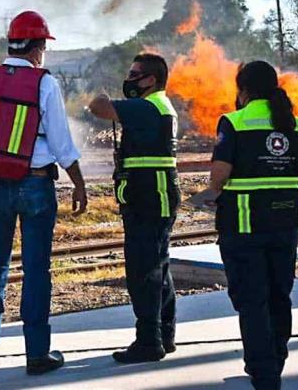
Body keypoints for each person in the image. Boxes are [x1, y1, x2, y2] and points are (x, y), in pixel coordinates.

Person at [0, 10, 88, 375]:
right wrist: (77, 181)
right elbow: (61, 143)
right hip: (35, 183)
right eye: (44, 45)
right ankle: (37, 353)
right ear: (37, 46)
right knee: (36, 268)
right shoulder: (43, 83)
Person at [207, 61, 298, 390]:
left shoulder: (234, 122)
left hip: (243, 225)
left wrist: (212, 192)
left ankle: (265, 374)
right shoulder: (295, 125)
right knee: (279, 295)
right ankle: (275, 360)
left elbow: (219, 177)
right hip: (285, 225)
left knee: (253, 300)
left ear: (244, 90)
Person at [88, 53, 181, 364]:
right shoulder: (157, 105)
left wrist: (101, 93)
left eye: (133, 74)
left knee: (144, 270)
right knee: (157, 265)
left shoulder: (148, 105)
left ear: (150, 79)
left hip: (149, 195)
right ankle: (163, 335)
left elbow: (97, 107)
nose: (128, 79)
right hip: (152, 192)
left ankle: (148, 341)